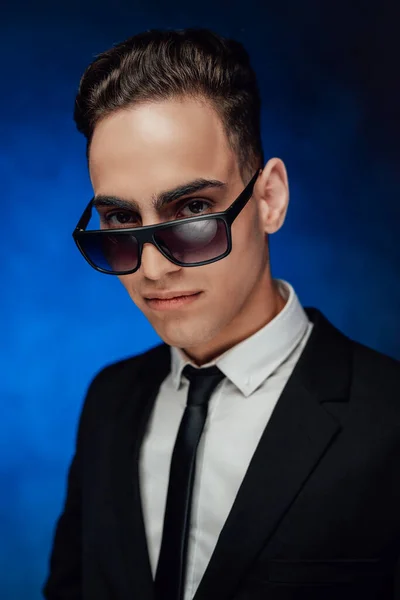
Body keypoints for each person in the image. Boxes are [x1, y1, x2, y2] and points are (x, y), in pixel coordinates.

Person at [43, 28, 400, 600]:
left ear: (269, 199)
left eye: (193, 209)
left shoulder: (389, 419)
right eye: (119, 221)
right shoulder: (108, 402)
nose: (153, 270)